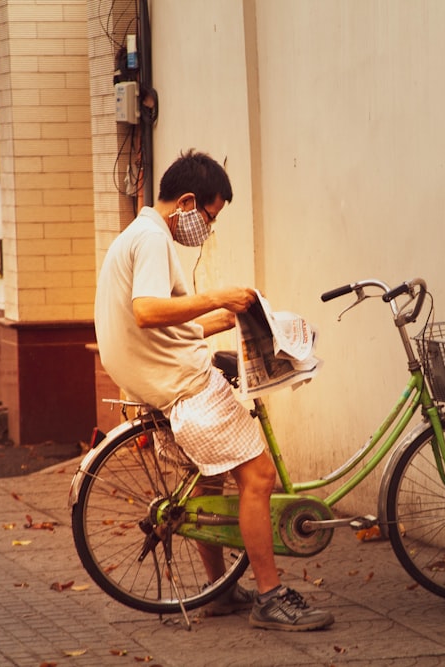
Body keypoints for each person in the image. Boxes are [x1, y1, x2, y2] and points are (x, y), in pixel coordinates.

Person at [93, 150, 334, 632]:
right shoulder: (152, 239)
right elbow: (146, 311)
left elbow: (159, 323)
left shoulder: (136, 236)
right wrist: (218, 296)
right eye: (209, 215)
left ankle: (219, 591)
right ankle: (269, 597)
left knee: (208, 483)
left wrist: (216, 320)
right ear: (186, 202)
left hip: (157, 379)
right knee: (260, 478)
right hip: (183, 382)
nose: (207, 227)